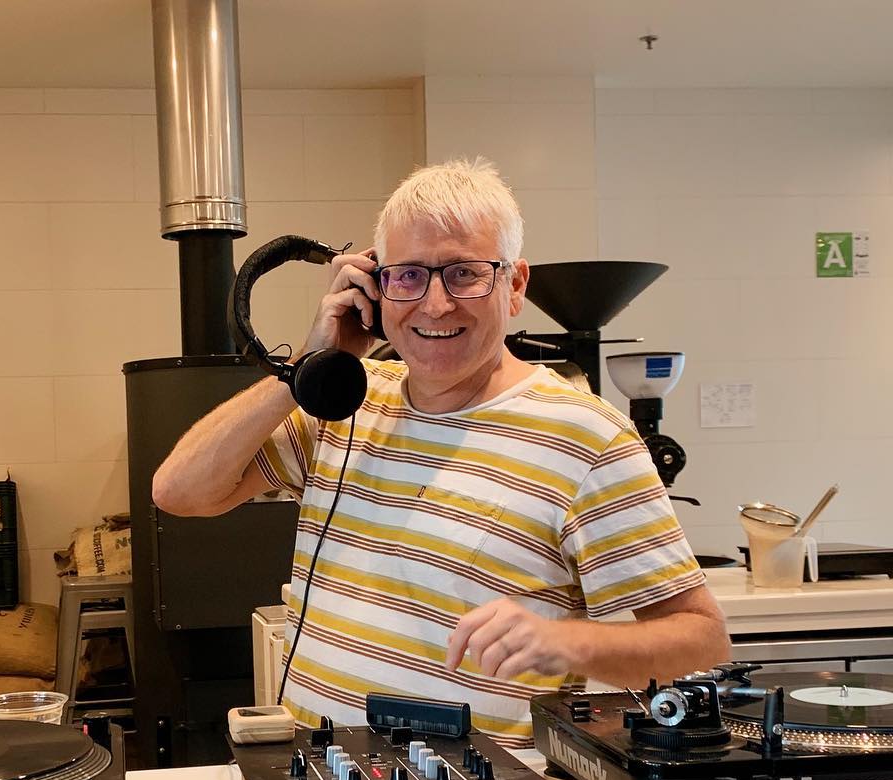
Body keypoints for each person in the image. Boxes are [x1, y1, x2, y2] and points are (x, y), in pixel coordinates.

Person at [151, 157, 729, 745]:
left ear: (515, 286)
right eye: (407, 276)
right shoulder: (344, 406)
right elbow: (180, 492)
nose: (434, 304)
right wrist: (305, 368)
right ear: (373, 288)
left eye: (464, 274)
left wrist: (566, 642)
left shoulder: (588, 438)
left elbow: (701, 643)